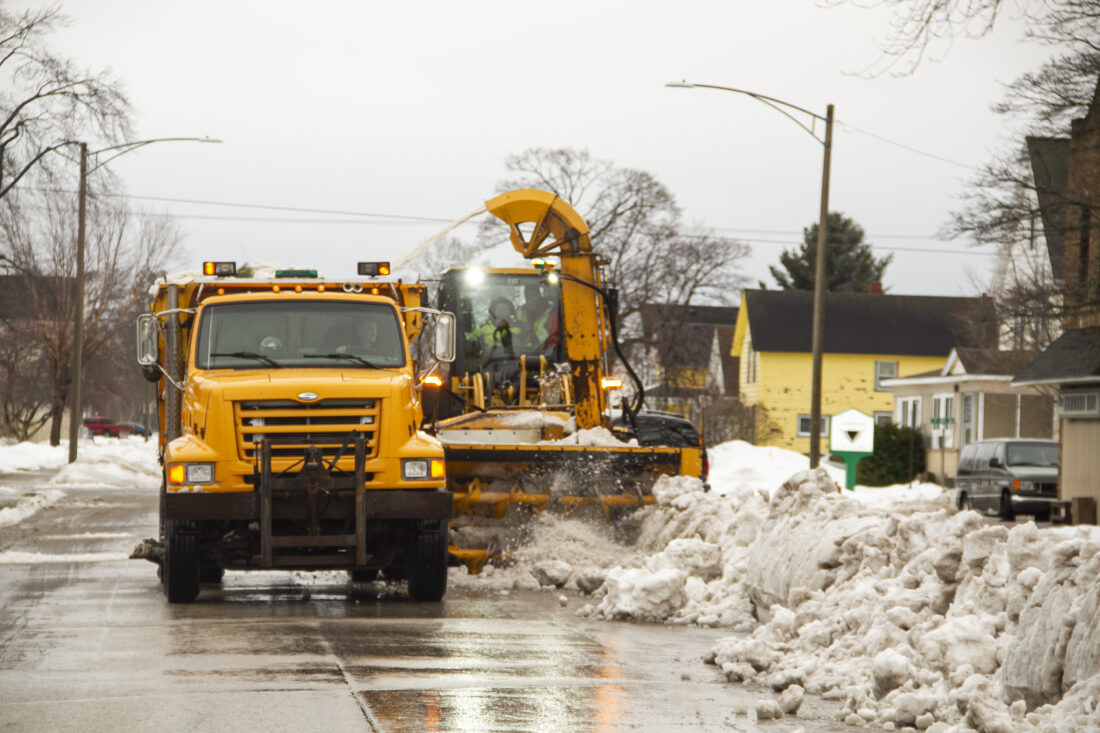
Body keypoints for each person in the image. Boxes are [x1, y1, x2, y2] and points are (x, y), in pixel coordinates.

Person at [518, 283, 560, 354]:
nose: (530, 298)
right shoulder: (520, 311)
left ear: (539, 295)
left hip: (544, 355)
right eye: (527, 295)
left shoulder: (550, 313)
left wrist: (530, 331)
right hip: (518, 353)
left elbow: (554, 342)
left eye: (533, 294)